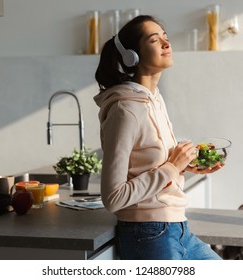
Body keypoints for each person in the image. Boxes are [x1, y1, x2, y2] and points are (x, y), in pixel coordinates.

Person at [93, 15, 223, 260]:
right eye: (155, 40)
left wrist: (188, 165)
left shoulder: (154, 100)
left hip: (179, 228)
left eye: (166, 37)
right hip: (147, 233)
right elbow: (113, 198)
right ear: (132, 55)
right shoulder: (126, 109)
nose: (166, 43)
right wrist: (172, 167)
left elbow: (152, 165)